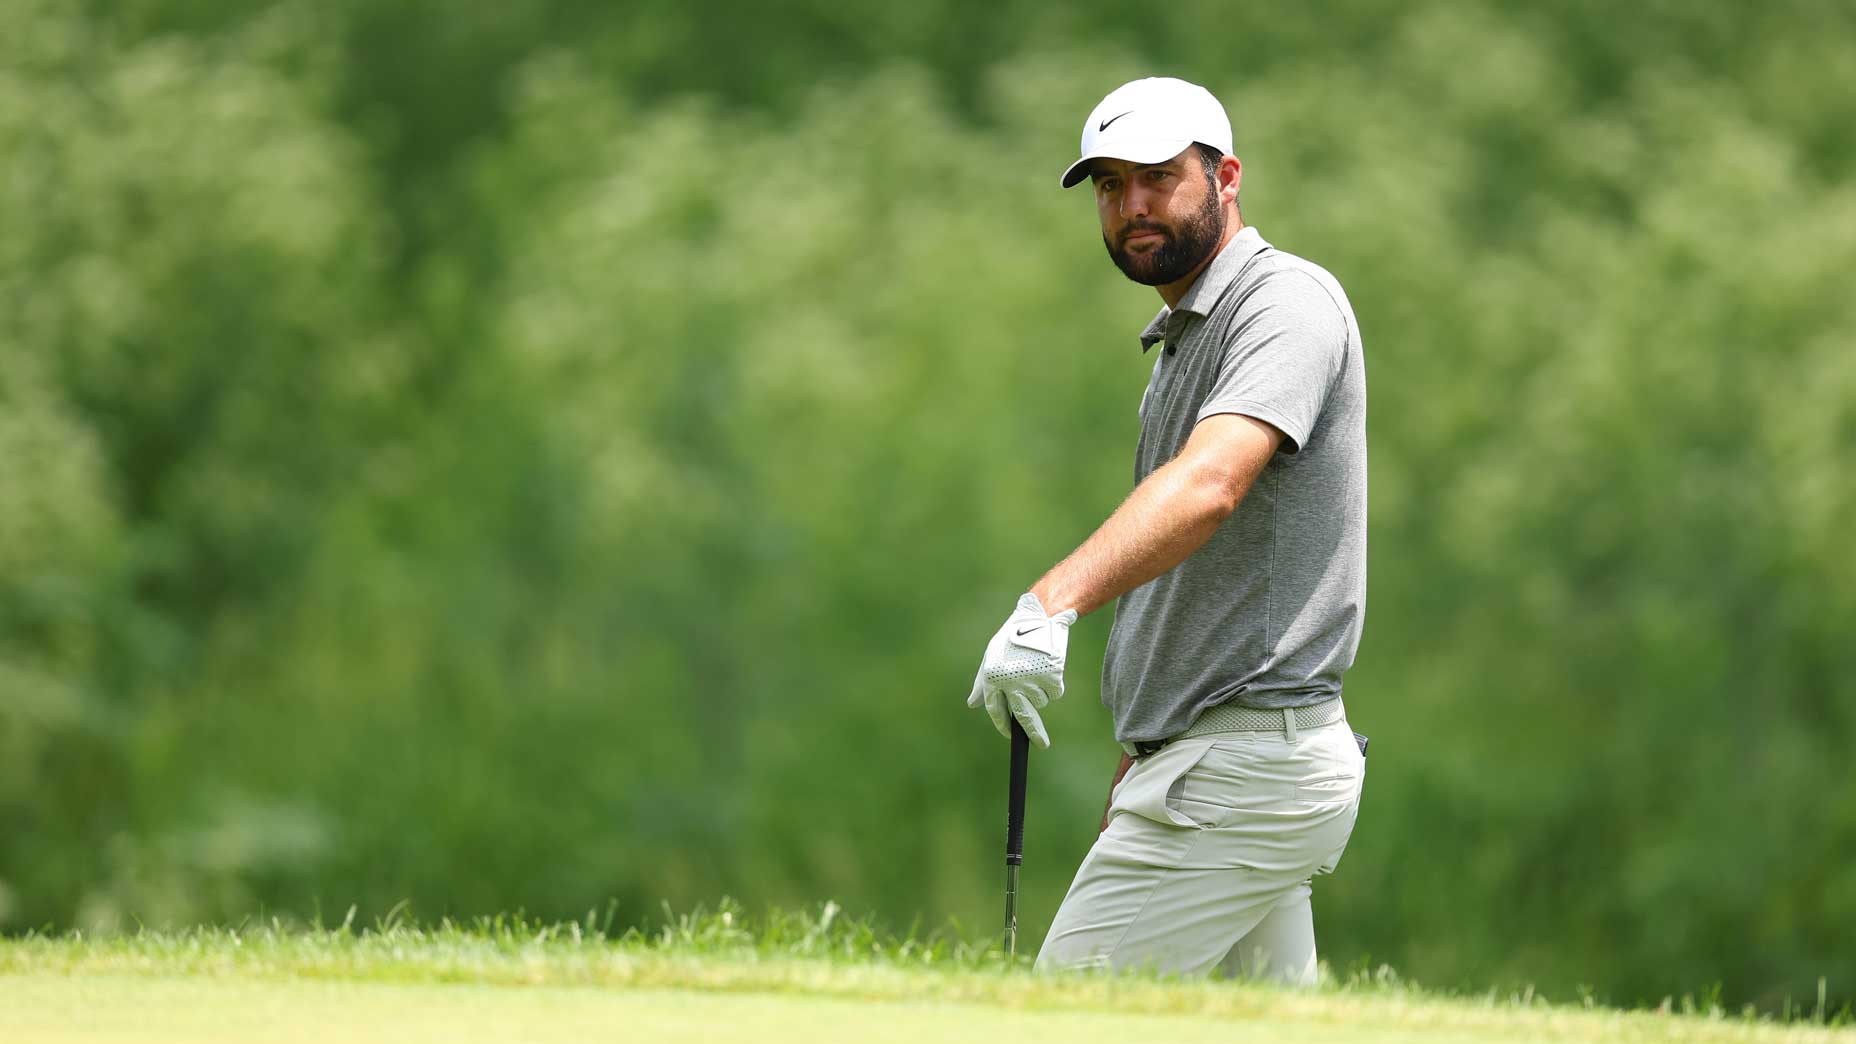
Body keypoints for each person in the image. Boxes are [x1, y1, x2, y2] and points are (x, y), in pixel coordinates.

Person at [965, 76, 1368, 983]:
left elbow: (1209, 489)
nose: (1132, 206)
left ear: (1226, 177)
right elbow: (1196, 571)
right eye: (1110, 186)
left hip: (1246, 773)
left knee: (1062, 1018)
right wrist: (1147, 746)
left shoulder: (1286, 303)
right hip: (1215, 761)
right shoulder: (1186, 334)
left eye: (1155, 177)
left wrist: (1048, 605)